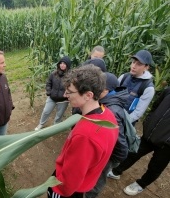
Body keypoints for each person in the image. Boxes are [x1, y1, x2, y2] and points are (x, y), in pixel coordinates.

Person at [47, 65, 119, 198]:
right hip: (86, 181)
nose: (65, 94)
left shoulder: (86, 135)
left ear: (88, 95)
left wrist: (55, 190)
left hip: (67, 189)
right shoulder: (108, 115)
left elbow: (70, 179)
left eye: (69, 91)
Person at [108, 87, 170, 196]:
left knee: (155, 167)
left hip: (167, 145)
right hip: (151, 134)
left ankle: (141, 184)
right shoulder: (168, 91)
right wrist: (148, 123)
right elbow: (155, 106)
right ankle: (116, 171)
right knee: (133, 153)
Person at [85, 73, 129, 198]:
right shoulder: (107, 101)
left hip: (109, 156)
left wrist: (112, 162)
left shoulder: (112, 111)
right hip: (103, 151)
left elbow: (120, 143)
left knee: (98, 178)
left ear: (105, 90)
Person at [118, 50, 155, 125]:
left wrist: (121, 123)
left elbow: (138, 113)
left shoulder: (148, 88)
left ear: (146, 67)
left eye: (139, 64)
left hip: (125, 124)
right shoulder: (124, 77)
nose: (134, 66)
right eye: (133, 62)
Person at [35, 56, 71, 130]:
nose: (62, 65)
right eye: (61, 63)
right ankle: (41, 124)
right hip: (52, 98)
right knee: (46, 111)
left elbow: (72, 87)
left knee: (59, 114)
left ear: (67, 65)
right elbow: (48, 83)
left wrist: (68, 94)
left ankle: (56, 126)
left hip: (63, 100)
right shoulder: (53, 74)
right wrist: (49, 91)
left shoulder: (70, 76)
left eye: (64, 63)